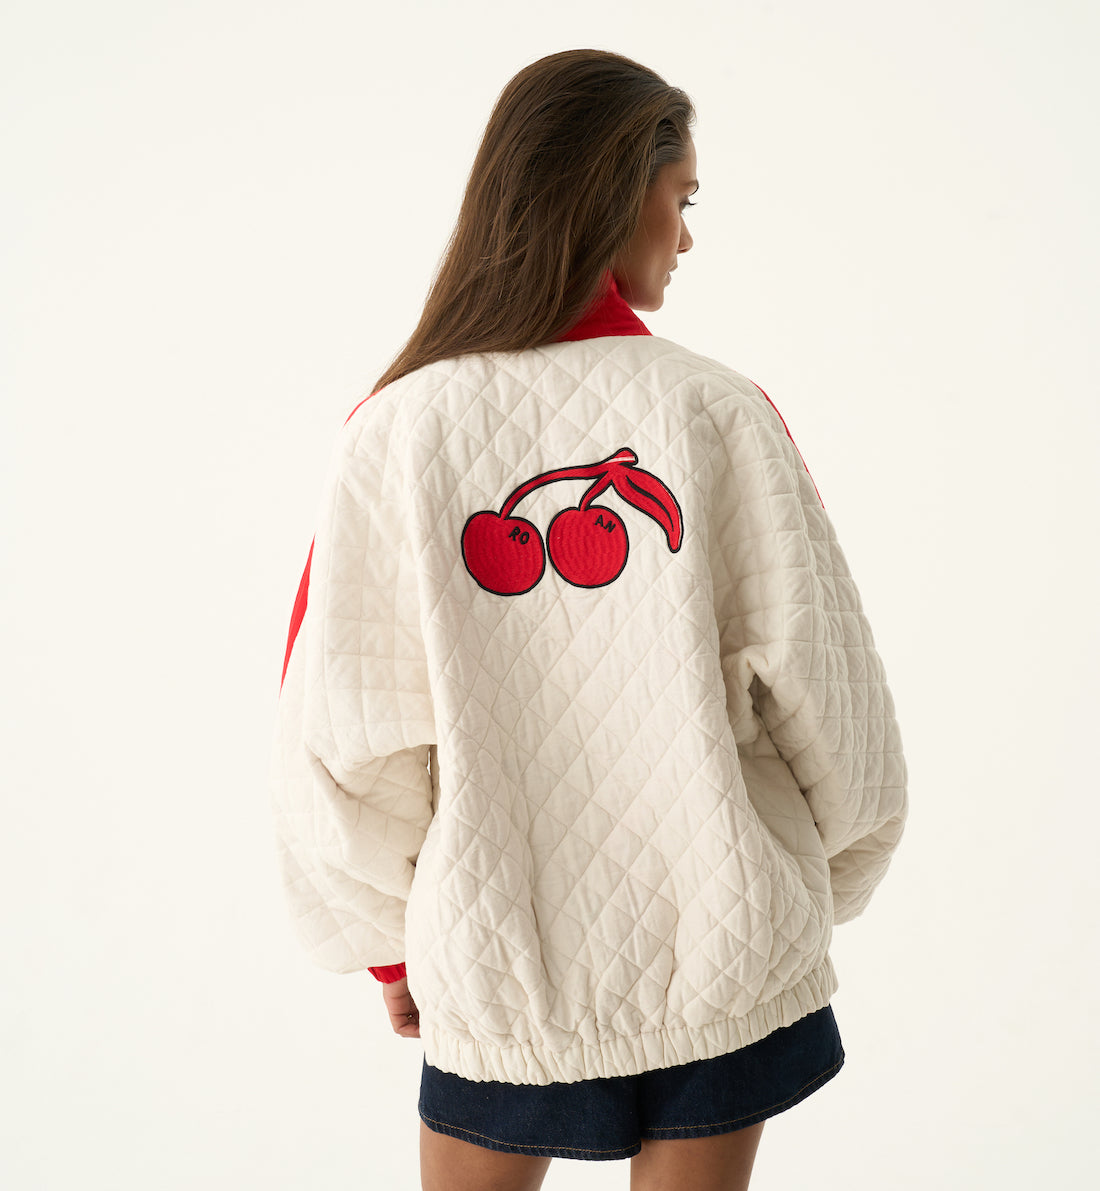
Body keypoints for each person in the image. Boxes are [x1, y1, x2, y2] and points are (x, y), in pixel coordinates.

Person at [270, 48, 907, 1191]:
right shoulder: (719, 413)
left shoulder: (394, 431)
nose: (687, 235)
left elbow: (338, 727)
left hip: (499, 957)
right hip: (722, 940)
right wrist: (825, 877)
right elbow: (830, 693)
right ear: (620, 193)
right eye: (682, 198)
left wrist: (390, 947)